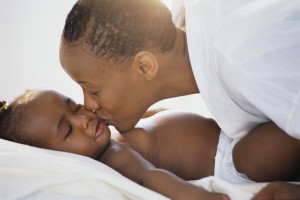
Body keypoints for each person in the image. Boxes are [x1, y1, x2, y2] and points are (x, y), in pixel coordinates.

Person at [58, 0, 300, 198]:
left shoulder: (241, 57)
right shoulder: (193, 20)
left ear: (144, 66)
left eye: (94, 90)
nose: (88, 105)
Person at [0, 90, 299, 199]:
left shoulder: (112, 128)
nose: (82, 118)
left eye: (75, 105)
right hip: (235, 161)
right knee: (291, 126)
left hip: (235, 136)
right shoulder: (112, 155)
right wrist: (194, 196)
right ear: (58, 158)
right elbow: (149, 177)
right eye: (67, 130)